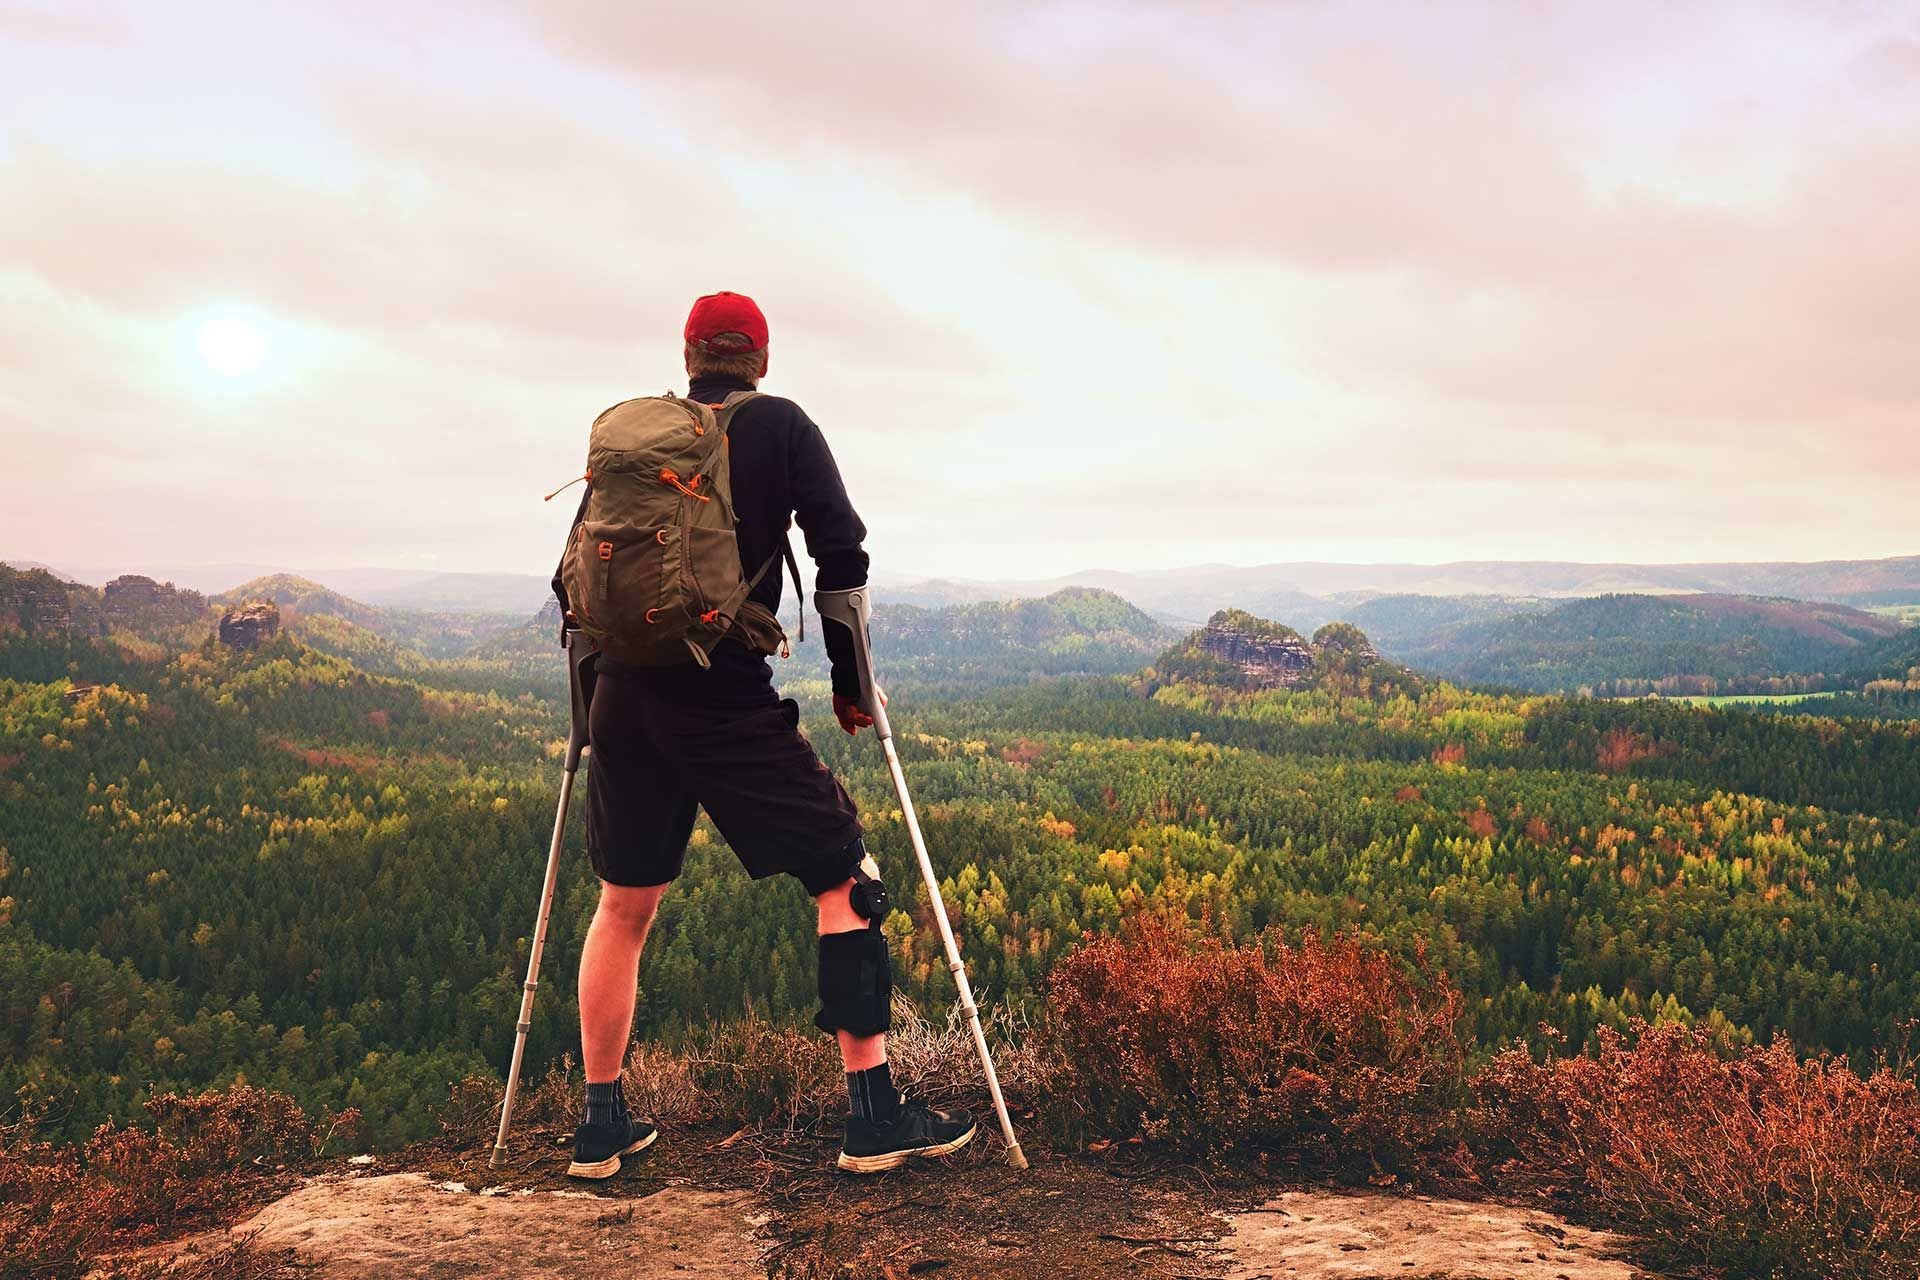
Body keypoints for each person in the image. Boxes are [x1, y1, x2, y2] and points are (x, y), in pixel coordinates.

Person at [550, 291, 976, 1178]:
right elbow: (842, 556)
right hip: (721, 695)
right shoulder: (782, 427)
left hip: (621, 697)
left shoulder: (633, 445)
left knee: (623, 906)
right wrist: (853, 687)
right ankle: (872, 1119)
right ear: (762, 358)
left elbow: (578, 584)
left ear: (689, 354)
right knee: (845, 876)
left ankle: (601, 1127)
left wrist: (591, 716)